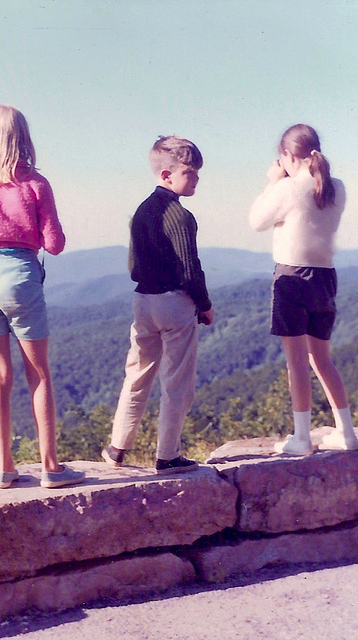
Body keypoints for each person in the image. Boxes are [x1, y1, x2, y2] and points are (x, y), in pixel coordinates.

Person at [0, 105, 85, 489]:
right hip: (21, 277)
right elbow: (55, 244)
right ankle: (50, 467)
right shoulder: (35, 183)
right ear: (22, 138)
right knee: (38, 374)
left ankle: (4, 468)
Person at [102, 135, 214, 474]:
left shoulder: (141, 212)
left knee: (136, 375)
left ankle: (117, 447)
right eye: (190, 173)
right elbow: (190, 269)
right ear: (167, 174)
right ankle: (168, 455)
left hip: (143, 300)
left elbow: (133, 266)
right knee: (177, 382)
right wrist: (205, 305)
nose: (196, 179)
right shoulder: (180, 217)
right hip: (174, 303)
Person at [248, 123, 358, 455]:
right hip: (325, 277)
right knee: (322, 359)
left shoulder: (288, 189)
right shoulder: (336, 188)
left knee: (297, 361)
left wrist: (271, 183)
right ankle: (347, 433)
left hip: (292, 277)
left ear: (286, 156)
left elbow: (256, 221)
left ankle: (301, 438)